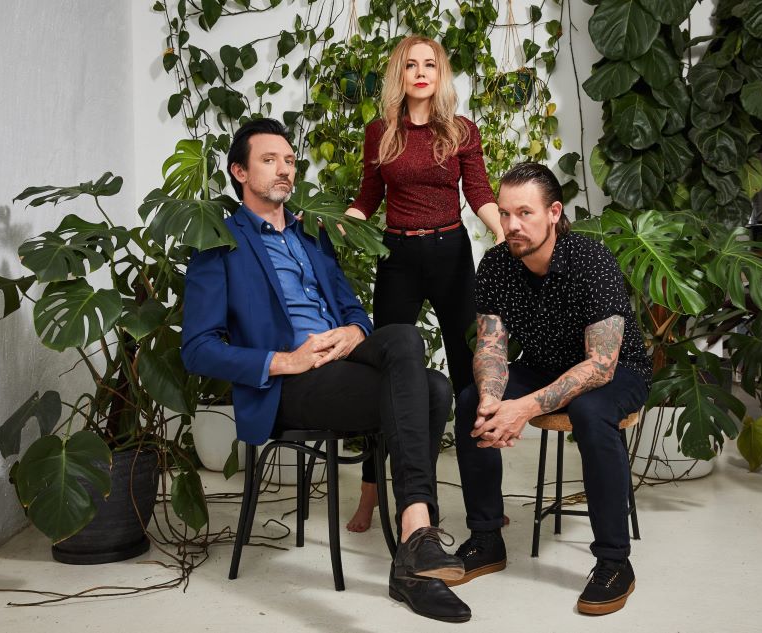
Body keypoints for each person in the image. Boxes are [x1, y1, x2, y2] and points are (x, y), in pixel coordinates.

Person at [181, 118, 471, 623]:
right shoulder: (218, 244)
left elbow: (352, 308)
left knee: (416, 356)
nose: (284, 169)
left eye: (289, 160)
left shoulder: (312, 235)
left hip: (342, 362)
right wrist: (285, 360)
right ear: (239, 172)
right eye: (269, 160)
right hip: (290, 384)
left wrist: (355, 331)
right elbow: (197, 349)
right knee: (431, 389)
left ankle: (415, 538)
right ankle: (416, 550)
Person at [449, 162, 651, 616]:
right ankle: (486, 537)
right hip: (542, 366)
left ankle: (614, 562)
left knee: (590, 412)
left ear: (554, 213)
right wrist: (492, 400)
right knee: (470, 401)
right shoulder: (498, 263)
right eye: (505, 213)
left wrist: (521, 409)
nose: (512, 225)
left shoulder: (591, 260)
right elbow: (491, 346)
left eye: (525, 213)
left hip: (617, 371)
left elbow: (600, 366)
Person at [343, 34, 504, 532]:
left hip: (451, 252)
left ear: (440, 73)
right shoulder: (380, 132)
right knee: (388, 376)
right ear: (400, 74)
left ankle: (485, 504)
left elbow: (478, 191)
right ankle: (371, 494)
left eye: (429, 65)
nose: (420, 73)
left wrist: (502, 233)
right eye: (411, 65)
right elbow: (367, 197)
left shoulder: (460, 130)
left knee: (470, 376)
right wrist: (337, 222)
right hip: (398, 256)